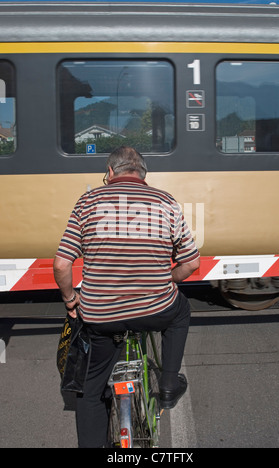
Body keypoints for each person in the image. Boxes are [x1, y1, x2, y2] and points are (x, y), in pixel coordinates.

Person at [53, 146, 200, 448]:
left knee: (90, 392)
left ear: (110, 173)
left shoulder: (89, 201)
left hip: (100, 315)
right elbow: (191, 263)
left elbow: (62, 264)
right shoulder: (166, 202)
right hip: (156, 308)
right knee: (181, 312)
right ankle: (170, 383)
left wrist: (70, 301)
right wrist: (165, 279)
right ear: (143, 175)